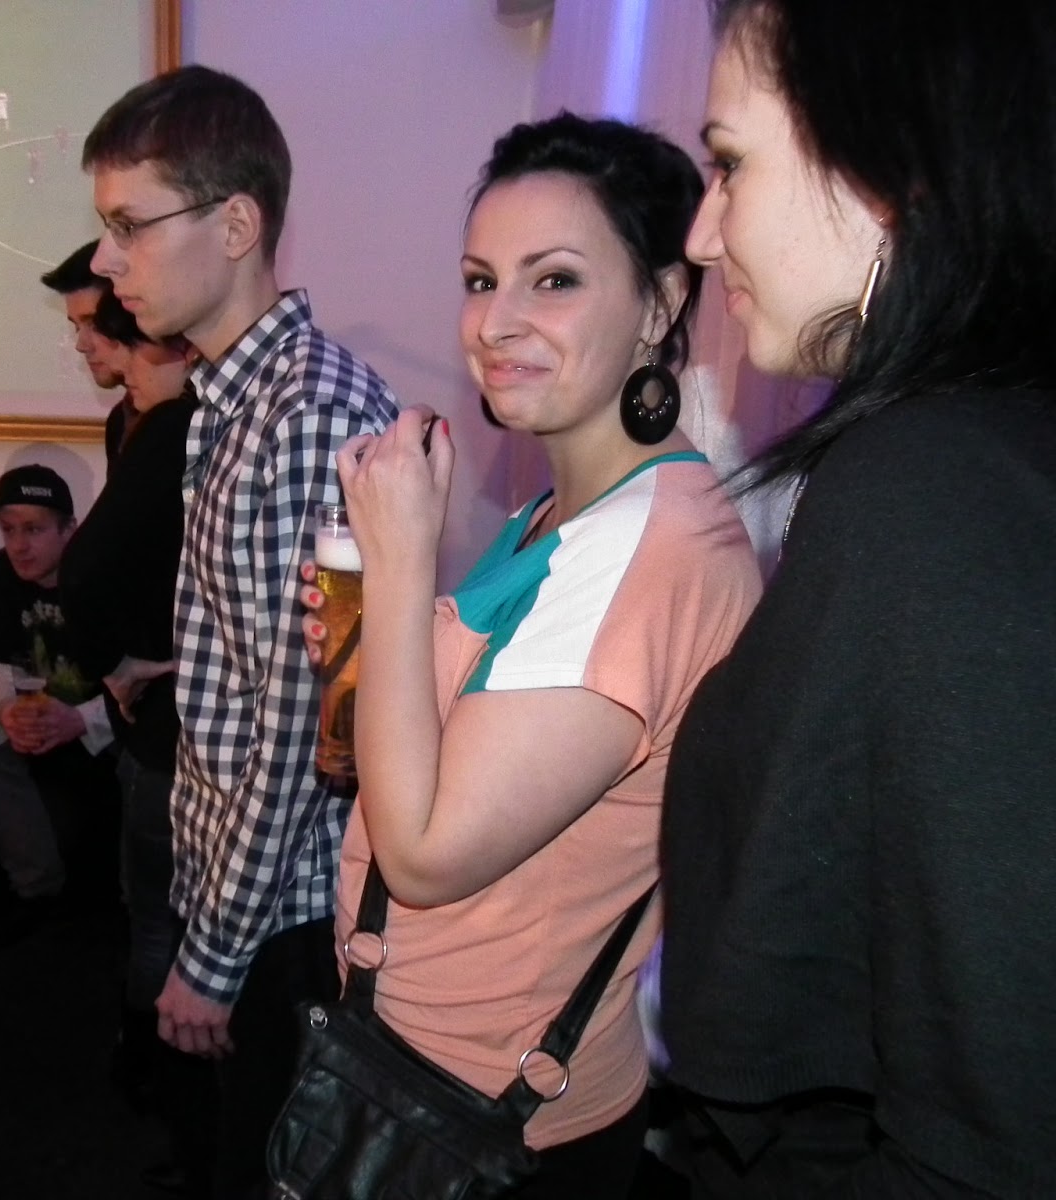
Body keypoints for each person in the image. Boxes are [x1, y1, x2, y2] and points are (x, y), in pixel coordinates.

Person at [658, 2, 1056, 1196]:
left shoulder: (936, 492)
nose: (703, 235)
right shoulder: (1017, 454)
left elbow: (1020, 1133)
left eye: (729, 163)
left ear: (888, 172)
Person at [303, 115, 761, 1198]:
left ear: (661, 302)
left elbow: (424, 855)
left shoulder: (647, 554)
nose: (494, 322)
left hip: (490, 1128)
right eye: (479, 280)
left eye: (553, 280)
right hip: (415, 1066)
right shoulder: (561, 512)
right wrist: (385, 653)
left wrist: (399, 565)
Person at [84, 64, 399, 1196]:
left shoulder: (305, 411)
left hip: (284, 917)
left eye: (129, 225)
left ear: (234, 225)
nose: (106, 260)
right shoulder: (231, 399)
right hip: (240, 890)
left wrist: (212, 959)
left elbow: (302, 731)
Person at [53, 303, 204, 1187]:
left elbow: (92, 569)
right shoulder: (147, 423)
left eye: (101, 329)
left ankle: (156, 1070)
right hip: (163, 722)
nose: (86, 342)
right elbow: (95, 570)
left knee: (159, 912)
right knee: (157, 913)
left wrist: (123, 662)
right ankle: (155, 1069)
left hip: (175, 722)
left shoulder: (176, 424)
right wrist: (116, 664)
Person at [0, 466, 117, 945]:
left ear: (69, 530)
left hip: (108, 714)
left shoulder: (104, 577)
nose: (19, 546)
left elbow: (145, 685)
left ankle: (138, 902)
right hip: (38, 709)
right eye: (8, 530)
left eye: (34, 530)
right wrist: (8, 711)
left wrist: (81, 719)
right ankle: (38, 890)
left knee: (148, 753)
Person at [39, 241, 133, 468]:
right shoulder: (120, 421)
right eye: (76, 326)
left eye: (95, 324)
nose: (81, 345)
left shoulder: (198, 417)